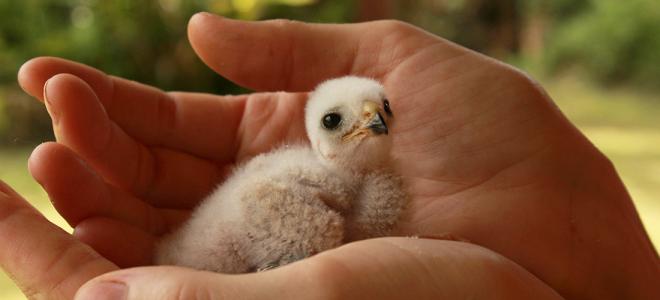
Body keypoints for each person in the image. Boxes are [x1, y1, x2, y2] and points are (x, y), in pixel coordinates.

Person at [1, 12, 658, 299]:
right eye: (344, 118)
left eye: (383, 112)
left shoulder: (363, 195)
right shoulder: (309, 200)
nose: (370, 122)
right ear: (319, 130)